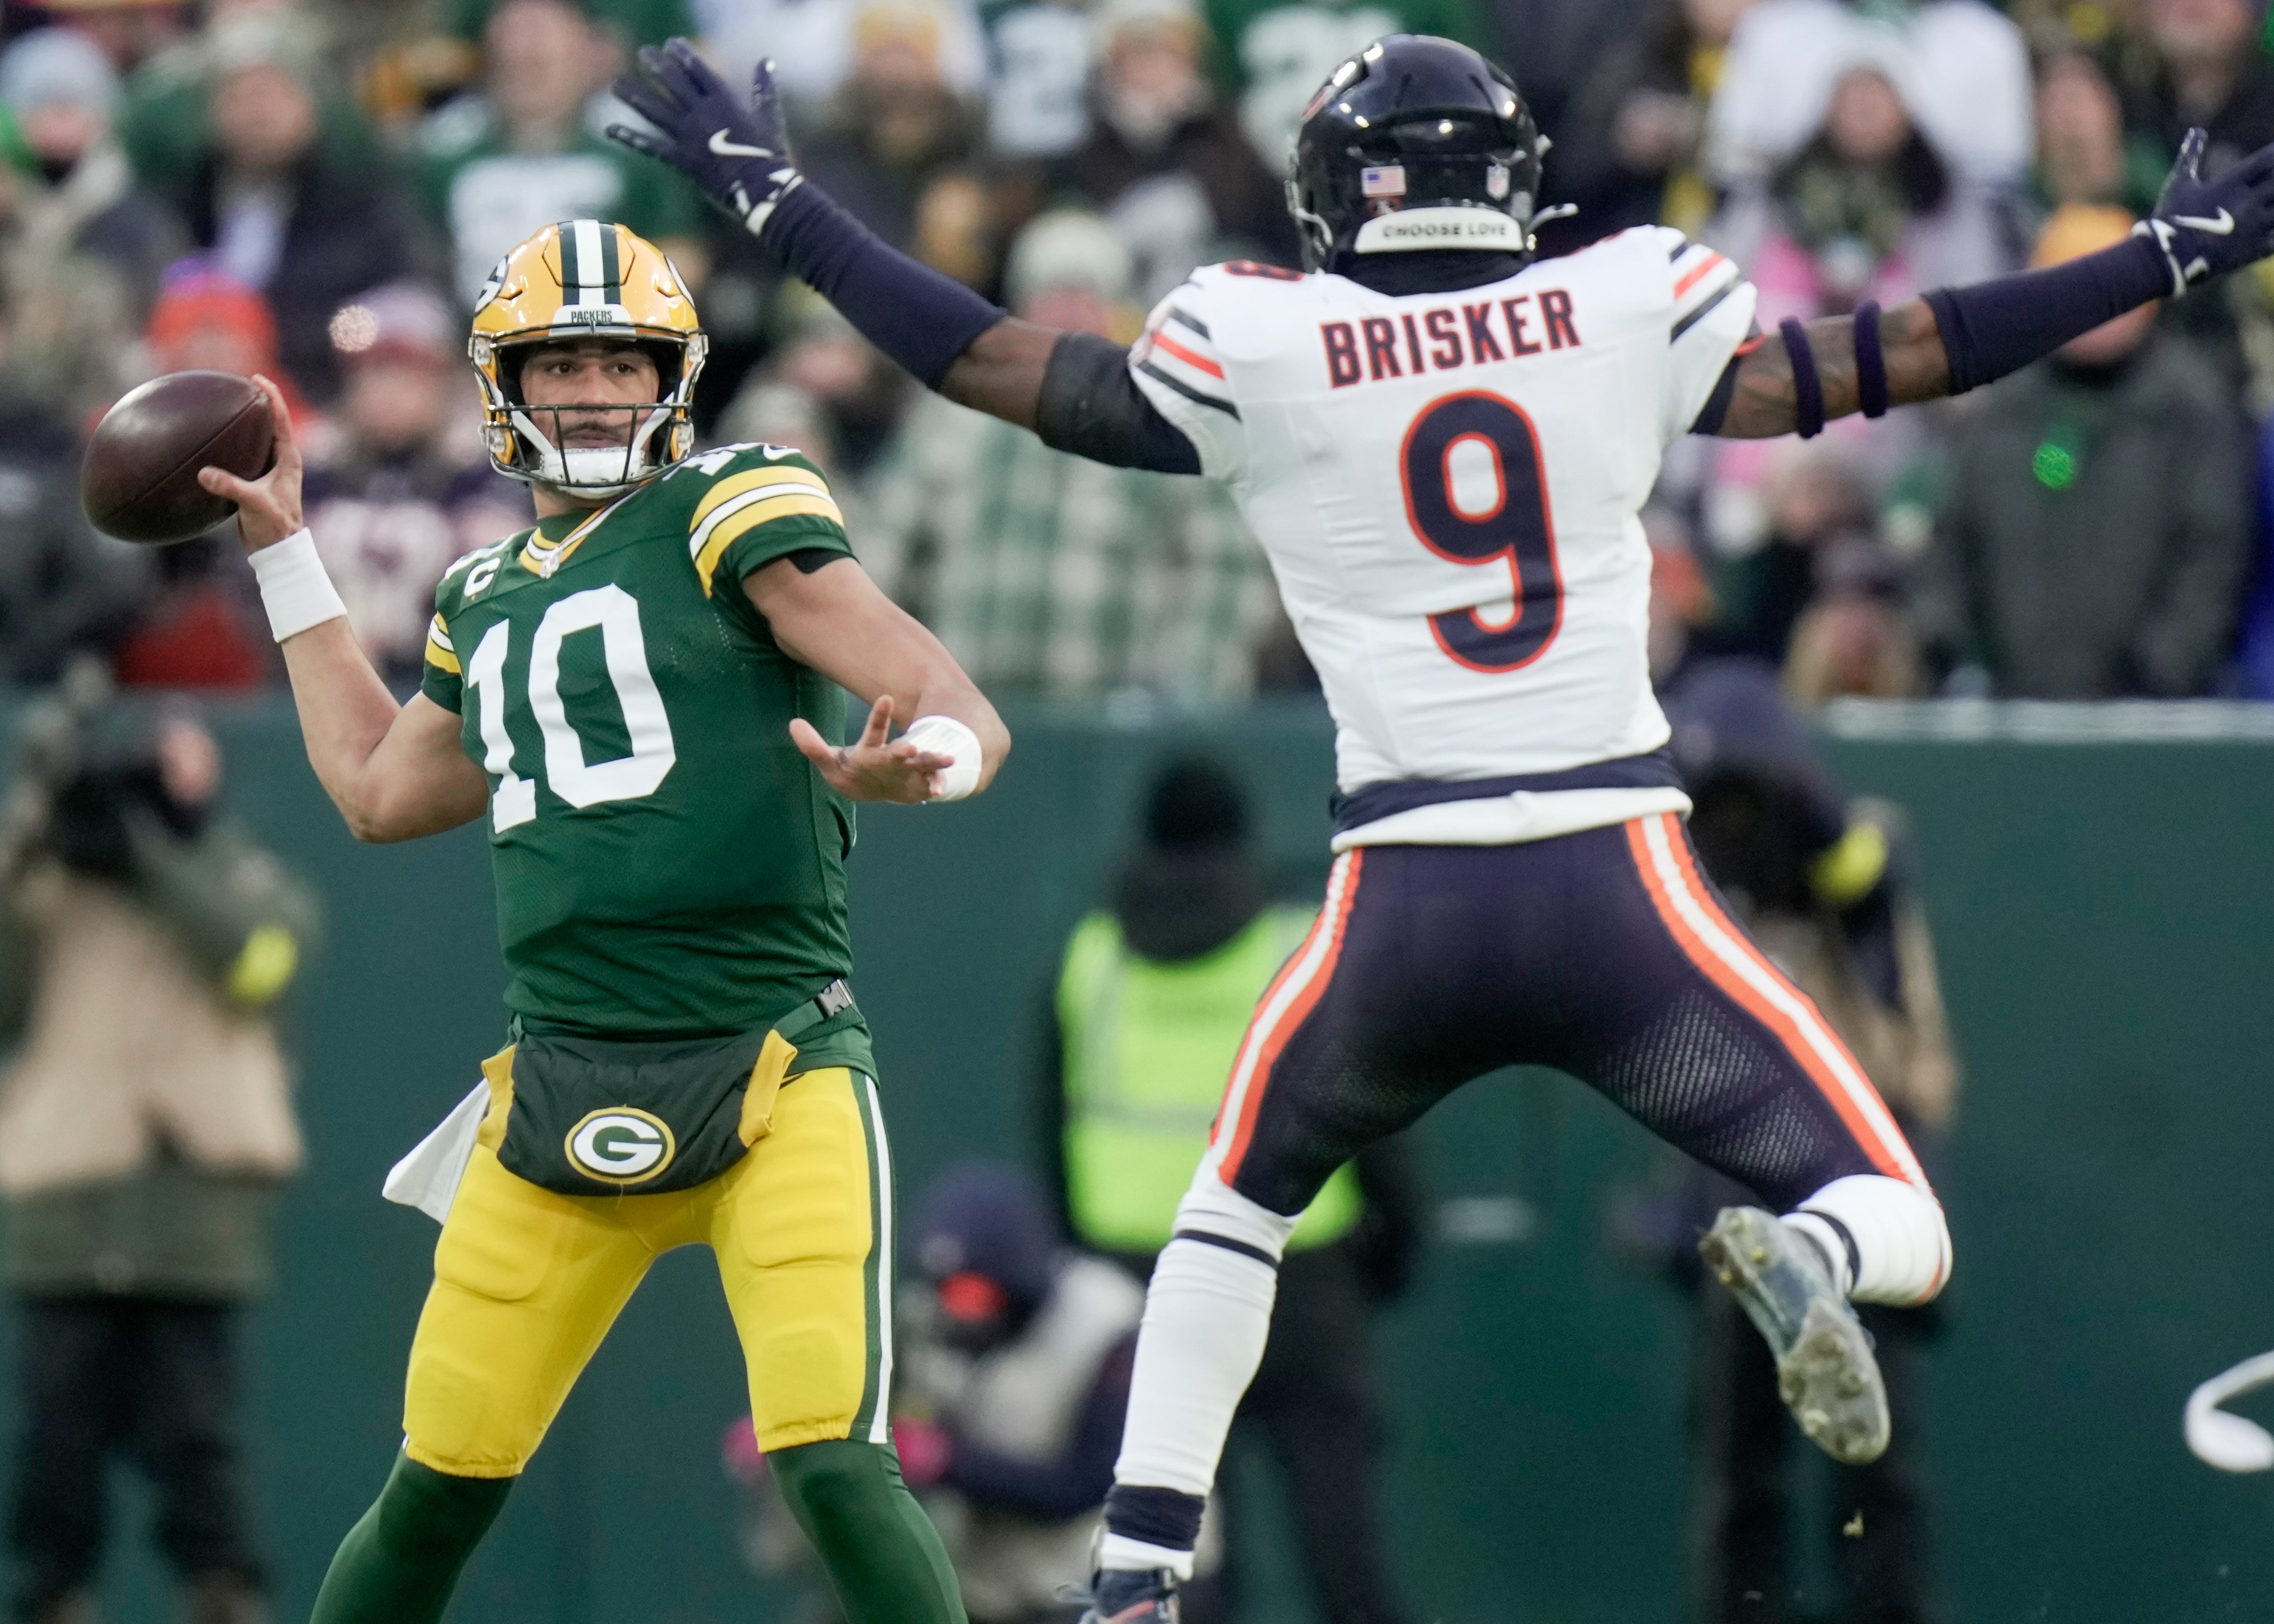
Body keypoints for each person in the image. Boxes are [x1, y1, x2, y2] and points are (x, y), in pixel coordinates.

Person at [609, 32, 2274, 1620]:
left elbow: (979, 358)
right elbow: (1901, 354)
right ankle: (1809, 1246)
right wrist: (2159, 257)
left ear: (1343, 192)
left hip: (1402, 904)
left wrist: (778, 199)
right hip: (1619, 890)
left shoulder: (1259, 340)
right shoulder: (1624, 297)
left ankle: (1134, 1569)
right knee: (1901, 1216)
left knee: (1230, 1215)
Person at [190, 217, 1010, 1624]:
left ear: (670, 381)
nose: (588, 392)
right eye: (558, 361)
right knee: (437, 1480)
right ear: (503, 384)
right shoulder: (480, 591)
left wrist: (923, 764)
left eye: (618, 364)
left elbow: (958, 706)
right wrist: (287, 560)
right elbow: (383, 790)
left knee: (832, 1461)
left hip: (775, 1071)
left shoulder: (731, 501)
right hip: (561, 1083)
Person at [1039, 756, 1419, 1624]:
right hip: (1302, 1277)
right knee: (1344, 1548)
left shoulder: (1092, 959)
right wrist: (1392, 1252)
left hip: (1140, 1287)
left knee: (1185, 1561)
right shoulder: (1296, 949)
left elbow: (1050, 1126)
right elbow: (1379, 1114)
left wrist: (1087, 1268)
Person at [0, 680, 316, 1624]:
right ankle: (52, 1599)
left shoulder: (240, 872)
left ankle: (224, 1598)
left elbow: (266, 960)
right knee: (54, 1442)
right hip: (69, 1198)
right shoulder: (49, 890)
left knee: (198, 1440)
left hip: (195, 1210)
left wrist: (149, 854)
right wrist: (36, 824)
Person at [1654, 657, 1958, 1624]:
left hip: (1854, 1172)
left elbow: (1904, 1011)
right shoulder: (1684, 868)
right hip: (1734, 1179)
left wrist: (1808, 825)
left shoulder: (1850, 843)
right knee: (1738, 1455)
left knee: (1872, 1450)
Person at [864, 212, 1276, 698]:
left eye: (1086, 294)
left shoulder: (1163, 417)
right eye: (1051, 293)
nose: (1067, 311)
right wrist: (875, 671)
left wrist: (1187, 688)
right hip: (965, 716)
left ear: (1116, 308)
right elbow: (881, 544)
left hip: (1114, 727)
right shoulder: (953, 419)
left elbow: (1224, 566)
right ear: (1017, 308)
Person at [1916, 204, 2251, 698]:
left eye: (2110, 292)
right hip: (2010, 706)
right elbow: (1949, 540)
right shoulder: (2002, 407)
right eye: (2073, 291)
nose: (2093, 312)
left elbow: (2212, 555)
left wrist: (2157, 671)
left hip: (2148, 716)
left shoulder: (2189, 410)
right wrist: (1959, 653)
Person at [894, 1164, 1151, 1624]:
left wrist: (940, 1458)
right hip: (987, 1587)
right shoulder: (922, 1317)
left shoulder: (1111, 1326)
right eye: (945, 1292)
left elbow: (1089, 1484)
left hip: (1103, 1591)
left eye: (972, 1295)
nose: (956, 1312)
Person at [303, 283, 531, 684]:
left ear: (443, 380)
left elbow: (503, 595)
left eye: (407, 374)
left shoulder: (483, 468)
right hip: (314, 678)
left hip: (446, 684)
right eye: (373, 372)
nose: (386, 391)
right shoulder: (316, 466)